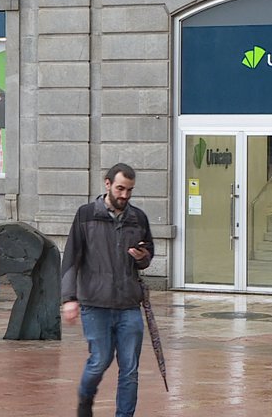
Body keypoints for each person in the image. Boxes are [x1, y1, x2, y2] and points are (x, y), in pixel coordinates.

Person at [61, 163, 154, 417]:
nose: (124, 195)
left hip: (128, 305)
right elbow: (71, 258)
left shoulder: (138, 218)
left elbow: (148, 257)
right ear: (108, 184)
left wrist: (141, 256)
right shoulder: (86, 214)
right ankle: (85, 398)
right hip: (95, 303)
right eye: (120, 188)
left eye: (130, 190)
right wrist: (69, 299)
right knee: (99, 361)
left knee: (130, 369)